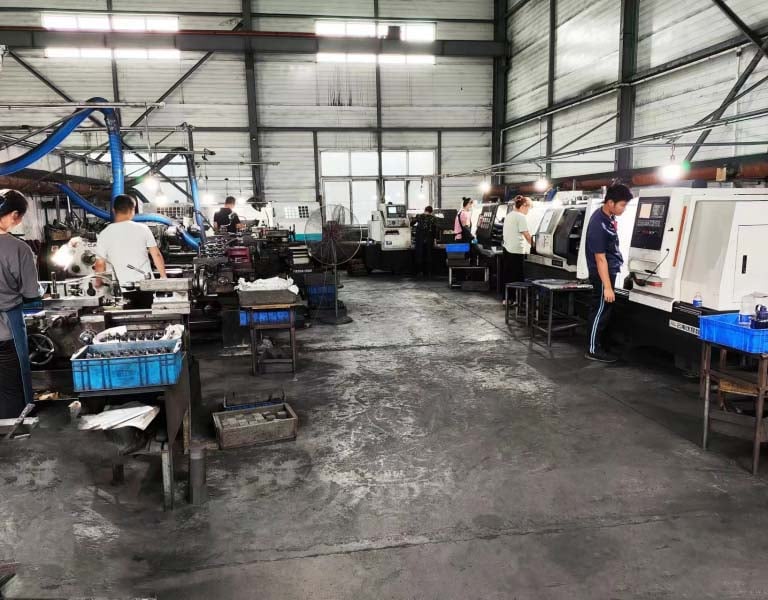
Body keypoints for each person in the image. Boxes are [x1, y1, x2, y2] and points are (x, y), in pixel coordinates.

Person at [0, 190, 41, 418]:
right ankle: (16, 432)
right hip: (6, 328)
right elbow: (30, 292)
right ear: (14, 215)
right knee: (12, 386)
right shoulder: (18, 248)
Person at [584, 183, 633, 363]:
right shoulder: (598, 223)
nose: (624, 209)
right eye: (622, 205)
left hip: (609, 271)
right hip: (602, 274)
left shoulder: (608, 217)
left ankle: (600, 345)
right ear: (610, 203)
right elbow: (600, 259)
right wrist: (607, 287)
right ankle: (592, 349)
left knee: (604, 311)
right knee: (599, 311)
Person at [95, 194, 166, 308]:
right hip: (146, 286)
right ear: (133, 210)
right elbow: (156, 255)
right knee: (149, 317)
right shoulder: (143, 229)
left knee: (128, 318)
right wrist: (163, 278)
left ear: (114, 210)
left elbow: (100, 263)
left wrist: (98, 281)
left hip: (123, 289)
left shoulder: (105, 233)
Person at [501, 195, 533, 291]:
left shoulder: (510, 215)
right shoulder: (521, 217)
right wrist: (534, 246)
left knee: (508, 275)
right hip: (516, 250)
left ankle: (507, 298)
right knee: (517, 277)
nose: (528, 211)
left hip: (507, 248)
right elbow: (526, 234)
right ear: (523, 206)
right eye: (528, 208)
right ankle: (516, 299)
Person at [411, 205, 438, 277]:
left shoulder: (419, 216)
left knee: (419, 255)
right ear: (431, 212)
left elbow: (411, 223)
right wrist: (435, 239)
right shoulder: (433, 218)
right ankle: (429, 272)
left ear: (425, 210)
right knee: (429, 255)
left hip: (420, 238)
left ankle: (420, 272)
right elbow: (435, 230)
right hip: (429, 238)